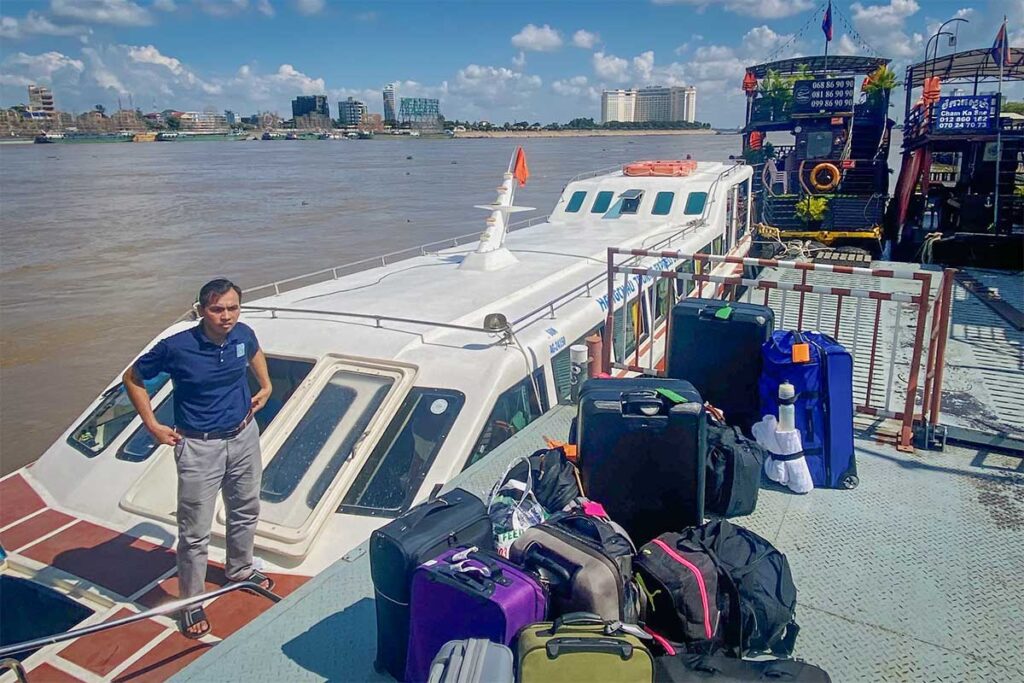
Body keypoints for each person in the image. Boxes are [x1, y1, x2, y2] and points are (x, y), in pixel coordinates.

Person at [123, 278, 273, 639]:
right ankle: (191, 603)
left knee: (246, 509)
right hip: (198, 448)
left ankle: (239, 569)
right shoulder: (177, 347)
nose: (226, 316)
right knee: (194, 533)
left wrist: (266, 386)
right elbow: (133, 376)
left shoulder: (243, 333)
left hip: (243, 436)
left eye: (233, 308)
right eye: (217, 309)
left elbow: (254, 351)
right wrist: (152, 425)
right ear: (201, 311)